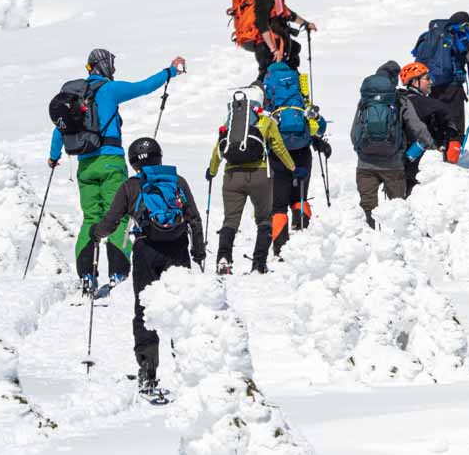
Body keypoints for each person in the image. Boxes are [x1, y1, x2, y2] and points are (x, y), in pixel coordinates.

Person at [48, 48, 186, 295]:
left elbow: (60, 128)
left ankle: (86, 277)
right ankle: (118, 274)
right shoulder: (109, 89)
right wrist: (171, 71)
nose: (114, 71)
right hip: (111, 162)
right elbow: (143, 86)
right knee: (119, 216)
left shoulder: (75, 96)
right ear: (104, 67)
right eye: (112, 66)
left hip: (85, 165)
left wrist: (54, 156)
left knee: (91, 218)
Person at [90, 137, 205, 397]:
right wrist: (197, 251)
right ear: (159, 157)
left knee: (144, 310)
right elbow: (194, 219)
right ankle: (190, 367)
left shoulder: (131, 186)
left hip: (146, 251)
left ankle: (148, 370)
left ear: (133, 162)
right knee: (182, 308)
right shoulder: (177, 182)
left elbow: (112, 219)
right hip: (177, 250)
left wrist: (97, 234)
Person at [205, 86, 297, 274]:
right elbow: (278, 146)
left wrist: (212, 171)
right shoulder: (265, 120)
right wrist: (292, 167)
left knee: (230, 220)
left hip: (232, 176)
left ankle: (223, 258)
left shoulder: (230, 121)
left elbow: (218, 149)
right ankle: (259, 263)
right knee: (264, 221)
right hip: (259, 175)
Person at [350, 61, 437, 227]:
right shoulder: (399, 100)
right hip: (393, 165)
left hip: (365, 165)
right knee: (396, 209)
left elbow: (354, 134)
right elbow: (419, 130)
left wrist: (363, 153)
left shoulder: (365, 101)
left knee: (368, 208)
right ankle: (395, 246)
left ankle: (369, 242)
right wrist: (427, 148)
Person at [262, 61, 328, 257]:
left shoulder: (269, 96)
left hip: (278, 153)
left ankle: (280, 250)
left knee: (279, 204)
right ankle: (302, 241)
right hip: (302, 151)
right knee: (300, 196)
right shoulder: (300, 95)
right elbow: (320, 126)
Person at [411, 11, 469, 139]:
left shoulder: (427, 39)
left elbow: (418, 62)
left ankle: (437, 151)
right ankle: (452, 153)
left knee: (436, 124)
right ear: (463, 25)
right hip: (454, 90)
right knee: (454, 126)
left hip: (431, 86)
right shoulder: (467, 42)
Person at [399, 61, 462, 196]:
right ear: (415, 82)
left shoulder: (402, 99)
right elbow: (445, 109)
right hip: (418, 163)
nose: (431, 82)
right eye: (427, 78)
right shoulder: (420, 101)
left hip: (403, 160)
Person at [254, 0, 317, 84]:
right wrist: (273, 50)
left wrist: (305, 23)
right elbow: (262, 25)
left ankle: (293, 99)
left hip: (279, 46)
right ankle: (253, 100)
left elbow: (289, 14)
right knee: (266, 77)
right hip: (267, 48)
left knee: (288, 70)